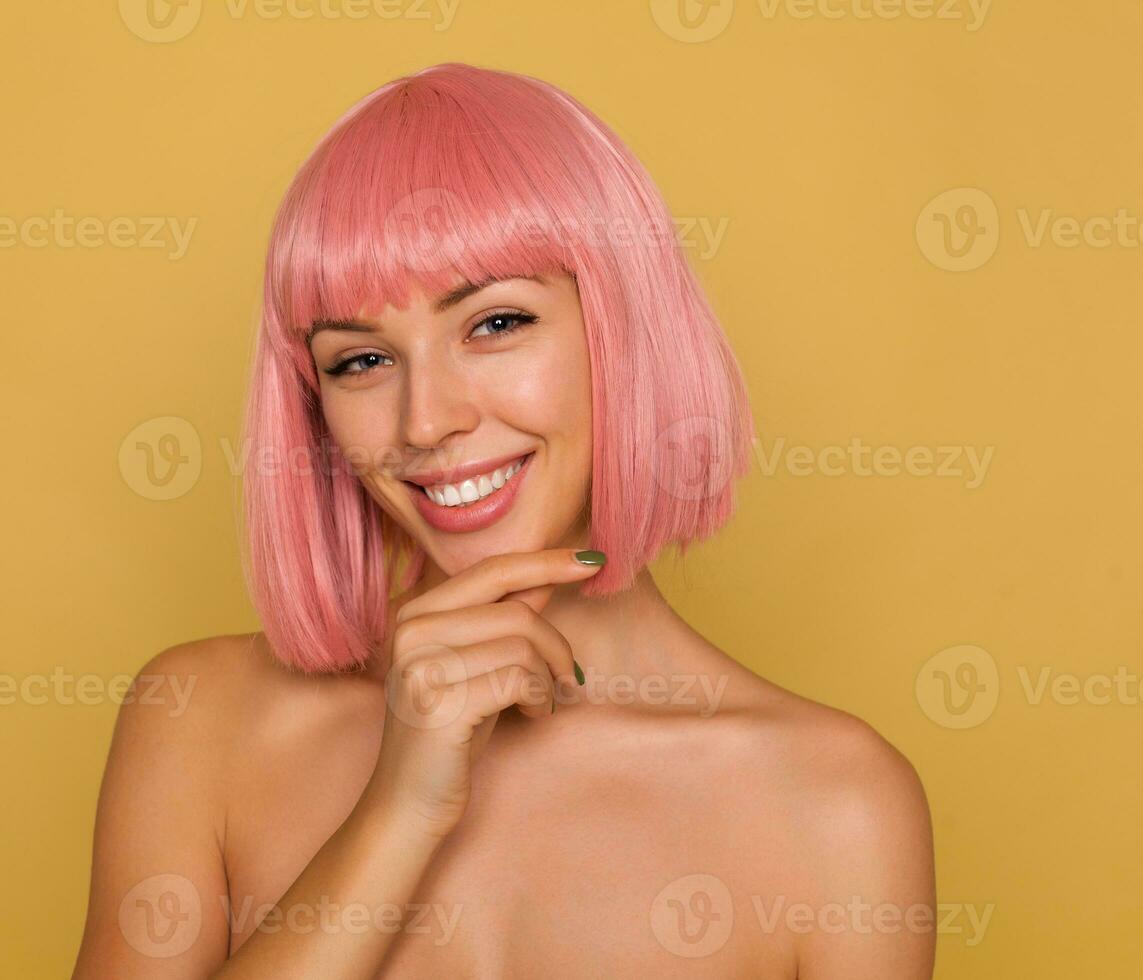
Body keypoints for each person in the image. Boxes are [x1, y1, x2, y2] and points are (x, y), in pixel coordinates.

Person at [71, 62, 935, 979]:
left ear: (623, 328)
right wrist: (396, 813)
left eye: (494, 324)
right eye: (361, 360)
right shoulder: (202, 722)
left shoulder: (836, 805)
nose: (427, 420)